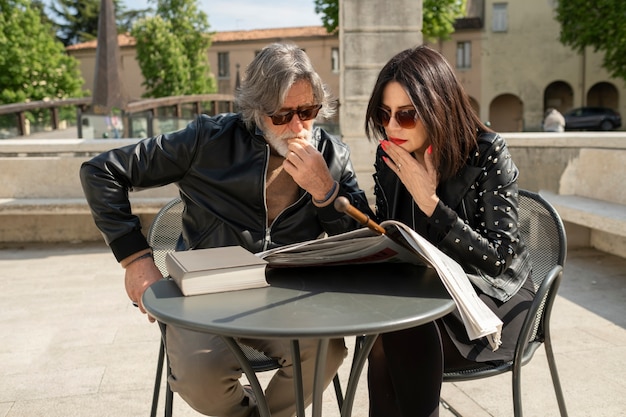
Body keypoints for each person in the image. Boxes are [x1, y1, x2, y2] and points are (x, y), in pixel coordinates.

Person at [80, 42, 372, 417]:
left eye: (308, 111)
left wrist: (325, 191)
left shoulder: (333, 156)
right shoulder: (207, 141)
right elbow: (101, 171)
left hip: (288, 300)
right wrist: (135, 259)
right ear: (256, 111)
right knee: (200, 378)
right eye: (282, 115)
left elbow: (364, 239)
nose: (298, 126)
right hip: (206, 299)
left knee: (327, 352)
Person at [363, 45, 535, 417]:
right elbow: (390, 234)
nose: (392, 127)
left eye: (406, 115)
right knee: (388, 329)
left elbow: (498, 259)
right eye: (384, 114)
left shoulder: (487, 152)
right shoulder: (390, 154)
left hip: (495, 305)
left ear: (437, 108)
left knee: (395, 333)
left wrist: (431, 206)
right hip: (426, 298)